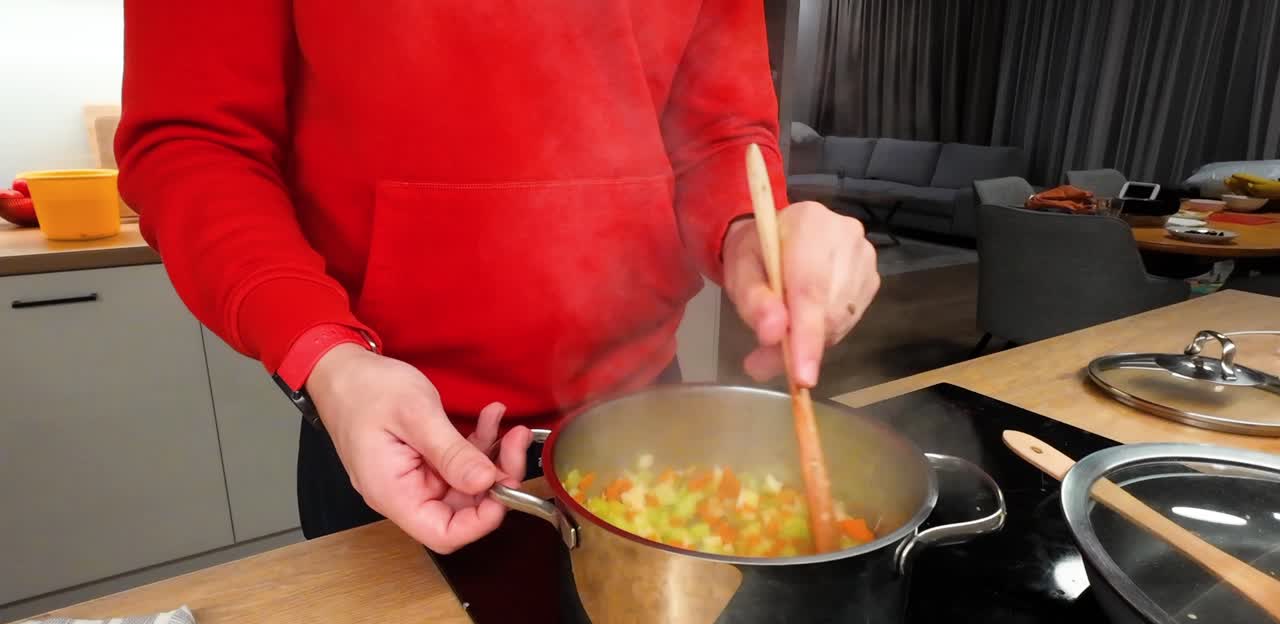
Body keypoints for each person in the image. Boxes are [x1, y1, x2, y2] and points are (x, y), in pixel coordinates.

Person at [114, 1, 880, 556]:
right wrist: (326, 356)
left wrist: (747, 232)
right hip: (388, 432)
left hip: (643, 418)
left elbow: (717, 129)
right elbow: (195, 139)